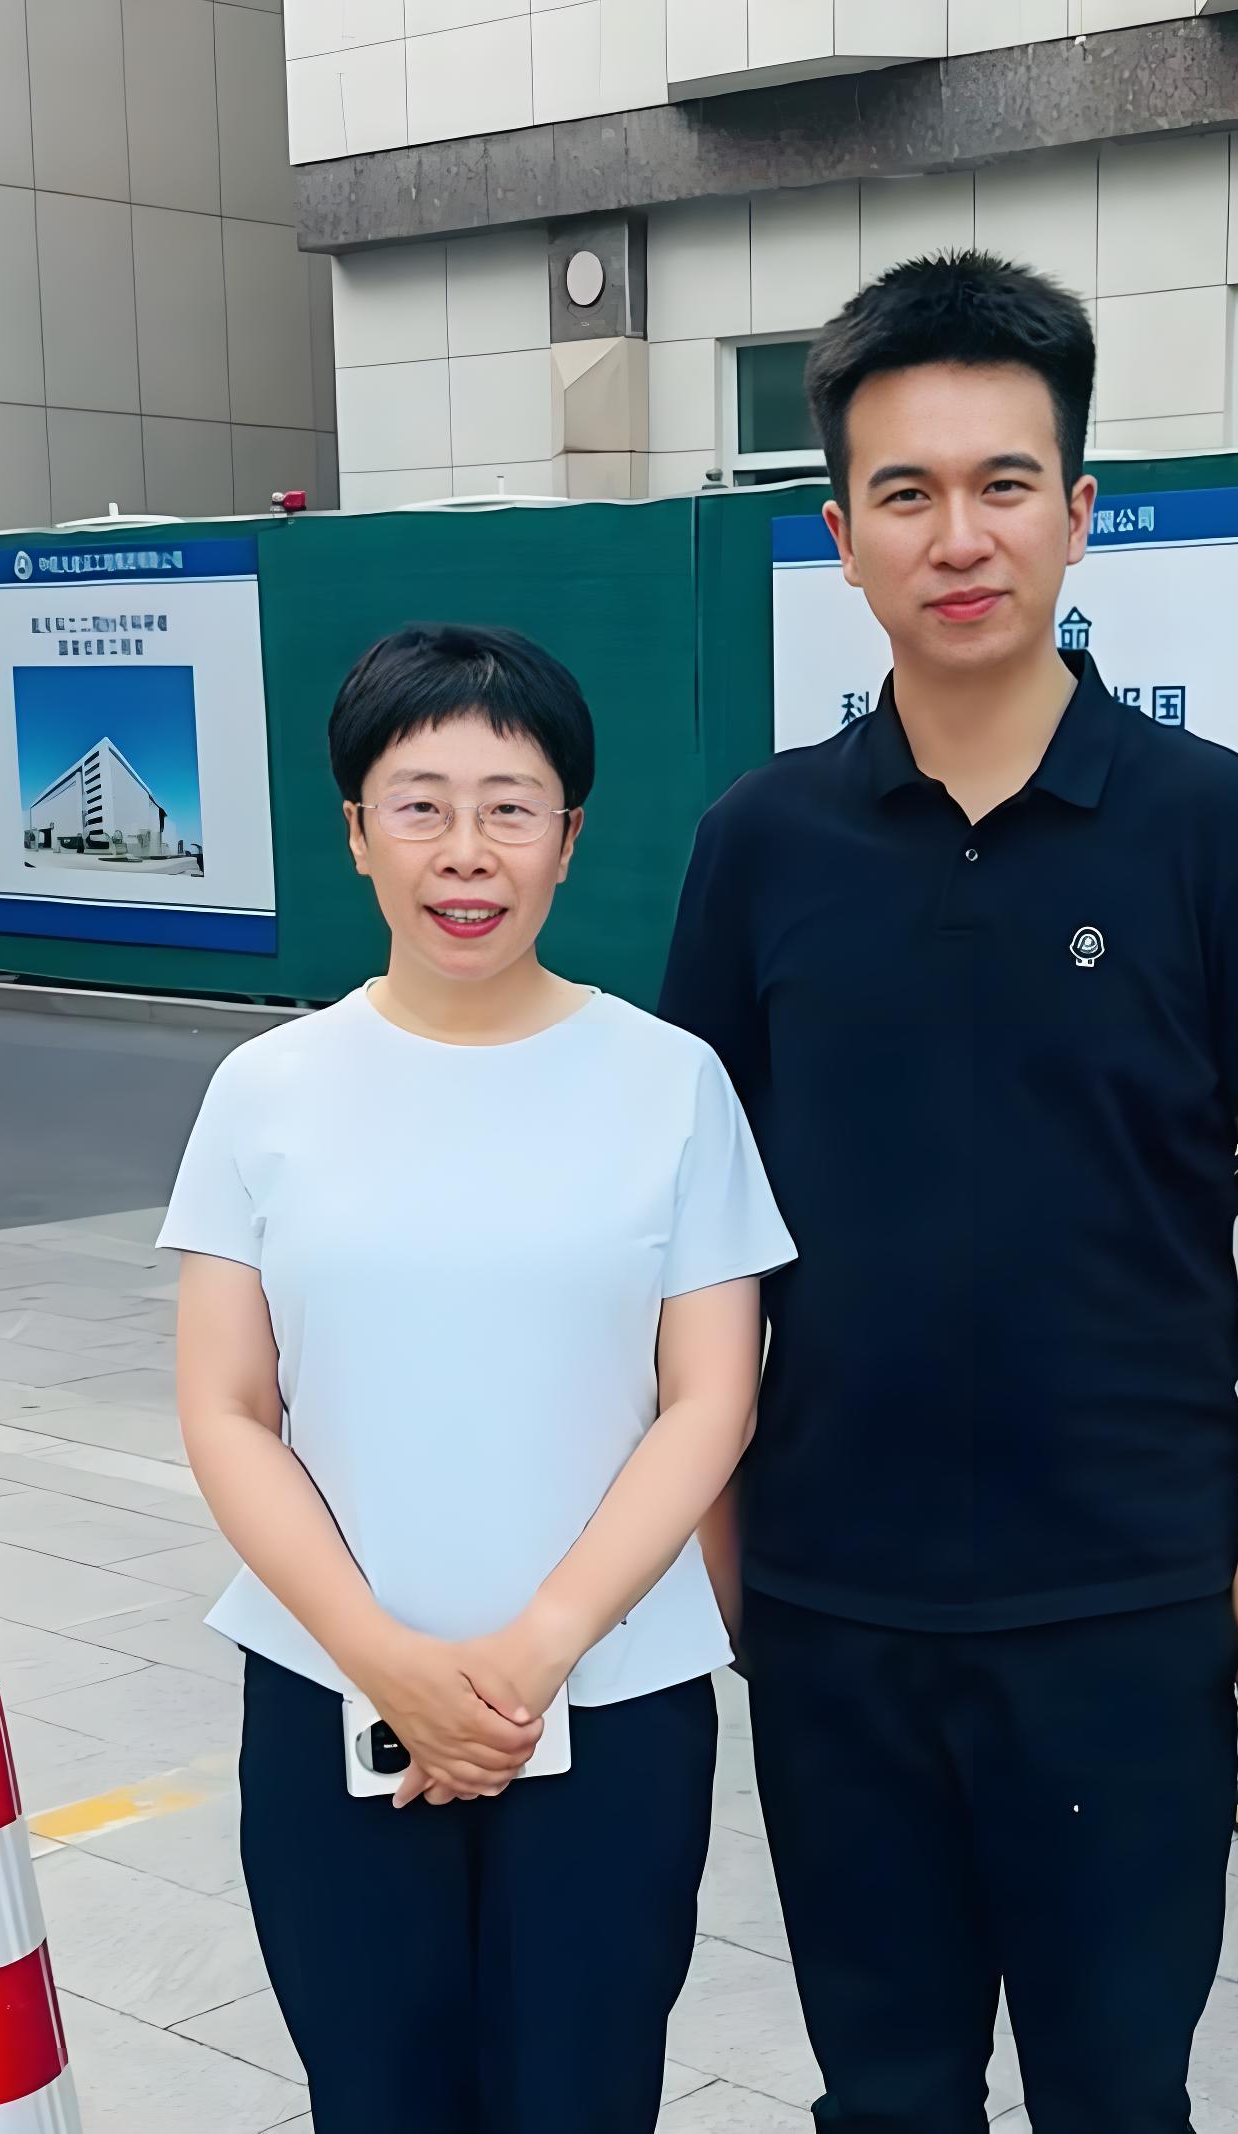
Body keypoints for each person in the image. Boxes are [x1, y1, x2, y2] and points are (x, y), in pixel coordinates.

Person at [659, 252, 1238, 2134]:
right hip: (835, 1600)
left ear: (1078, 508)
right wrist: (717, 1533)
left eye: (1002, 483)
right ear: (840, 533)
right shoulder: (760, 845)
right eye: (905, 490)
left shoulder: (1218, 827)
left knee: (1119, 2091)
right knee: (885, 2094)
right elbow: (699, 1229)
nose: (957, 536)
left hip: (1128, 1593)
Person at [159, 623, 794, 2133]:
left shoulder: (670, 1081)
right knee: (376, 2094)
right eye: (420, 804)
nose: (466, 850)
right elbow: (229, 1408)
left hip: (612, 1696)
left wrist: (539, 1648)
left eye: (511, 807)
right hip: (329, 1690)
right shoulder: (267, 1090)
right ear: (355, 832)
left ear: (568, 837)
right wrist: (379, 1653)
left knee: (584, 2093)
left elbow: (712, 1396)